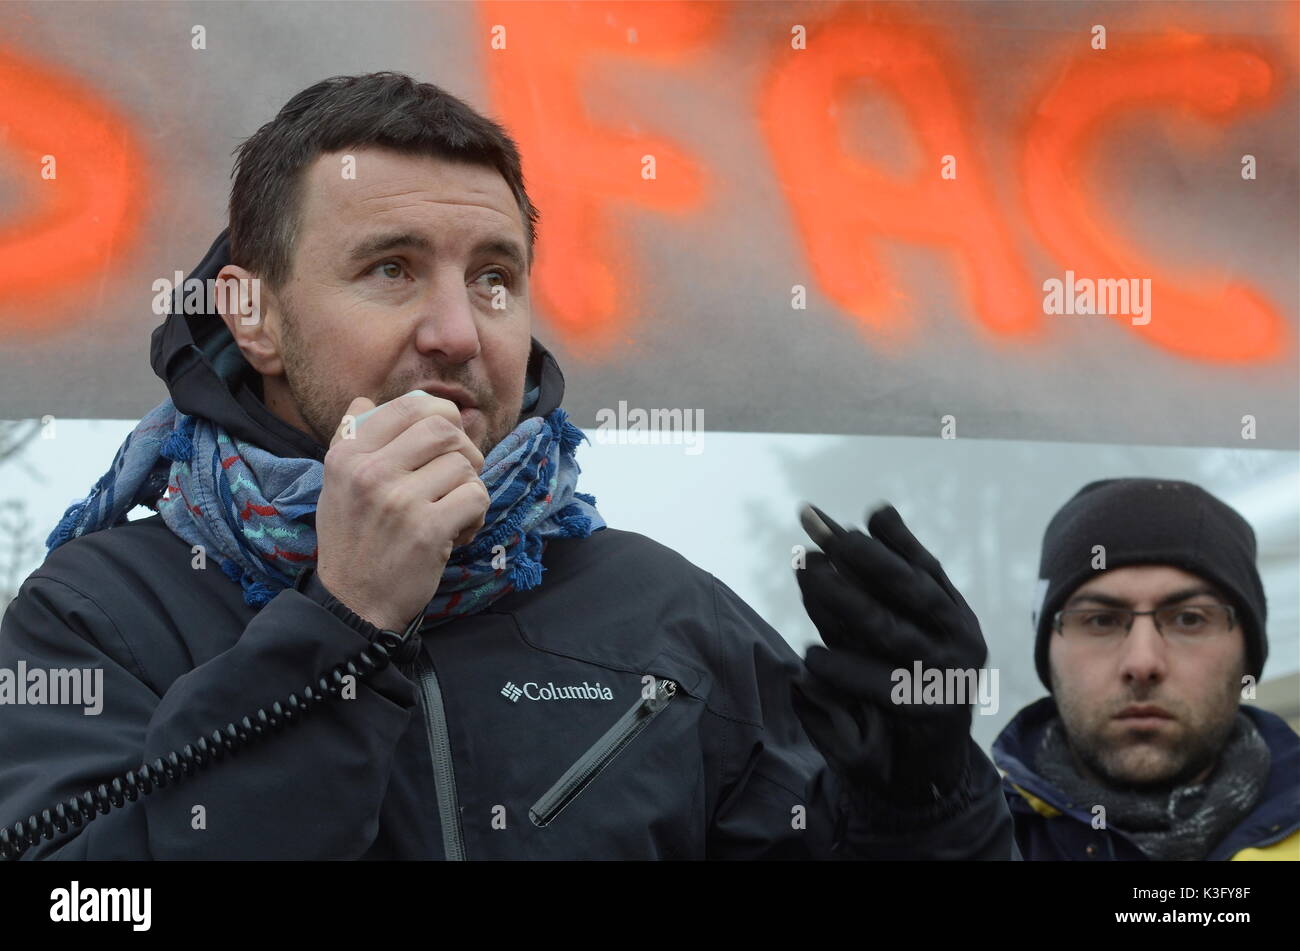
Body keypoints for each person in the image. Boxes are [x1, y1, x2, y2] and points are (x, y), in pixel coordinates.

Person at [0, 72, 1011, 860]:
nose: (456, 333)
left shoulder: (665, 615)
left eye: (493, 280)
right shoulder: (96, 615)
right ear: (252, 314)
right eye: (390, 268)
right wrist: (337, 631)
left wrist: (917, 803)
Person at [993, 478, 1299, 860]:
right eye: (1100, 620)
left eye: (1189, 619)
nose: (1142, 662)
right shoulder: (968, 838)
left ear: (1248, 656)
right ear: (1048, 655)